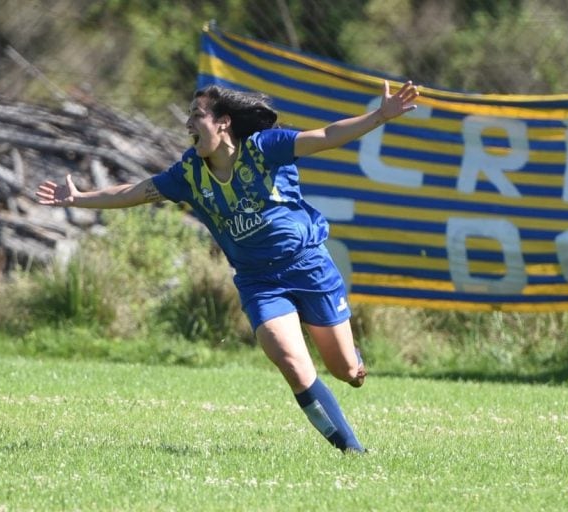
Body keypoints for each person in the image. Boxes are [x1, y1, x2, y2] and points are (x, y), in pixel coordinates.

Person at [36, 80, 419, 453]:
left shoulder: (265, 148)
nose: (188, 123)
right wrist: (80, 198)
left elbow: (326, 135)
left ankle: (353, 362)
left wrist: (379, 116)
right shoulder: (190, 173)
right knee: (289, 360)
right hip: (259, 281)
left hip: (309, 266)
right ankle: (353, 452)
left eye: (197, 114)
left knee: (346, 373)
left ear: (223, 122)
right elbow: (137, 191)